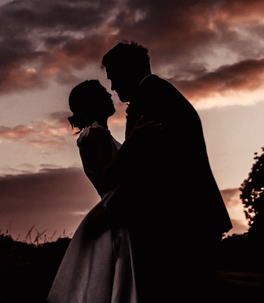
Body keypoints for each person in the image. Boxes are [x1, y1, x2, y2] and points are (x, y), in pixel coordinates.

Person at [99, 42, 231, 303]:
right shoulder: (160, 93)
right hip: (189, 218)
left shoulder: (150, 100)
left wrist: (113, 211)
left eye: (114, 78)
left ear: (128, 71)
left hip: (179, 222)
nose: (113, 87)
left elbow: (149, 168)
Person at [48, 80, 138, 303]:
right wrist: (134, 143)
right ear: (93, 103)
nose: (110, 96)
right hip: (114, 213)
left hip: (117, 208)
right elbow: (107, 176)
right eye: (104, 94)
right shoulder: (94, 134)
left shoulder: (99, 134)